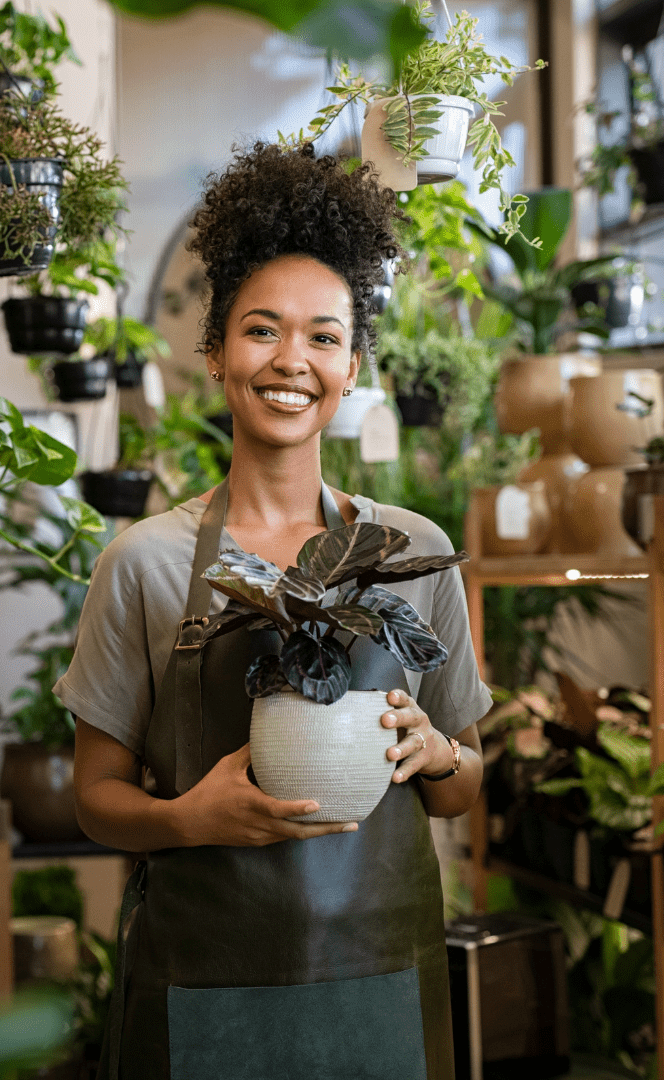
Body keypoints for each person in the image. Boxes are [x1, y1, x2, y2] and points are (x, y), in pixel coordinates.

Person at [55, 143, 490, 1080]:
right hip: (205, 987)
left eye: (324, 337)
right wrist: (190, 820)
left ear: (351, 363)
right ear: (215, 353)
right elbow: (94, 799)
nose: (293, 360)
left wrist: (439, 752)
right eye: (262, 330)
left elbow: (461, 787)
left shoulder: (412, 552)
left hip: (381, 982)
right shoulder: (145, 564)